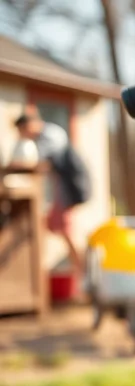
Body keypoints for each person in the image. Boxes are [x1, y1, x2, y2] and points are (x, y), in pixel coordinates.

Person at [11, 107, 85, 273]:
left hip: (66, 191)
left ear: (31, 124)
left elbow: (41, 162)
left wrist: (17, 164)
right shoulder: (39, 139)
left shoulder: (52, 134)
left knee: (66, 230)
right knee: (48, 226)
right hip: (56, 193)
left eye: (23, 130)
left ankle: (83, 273)